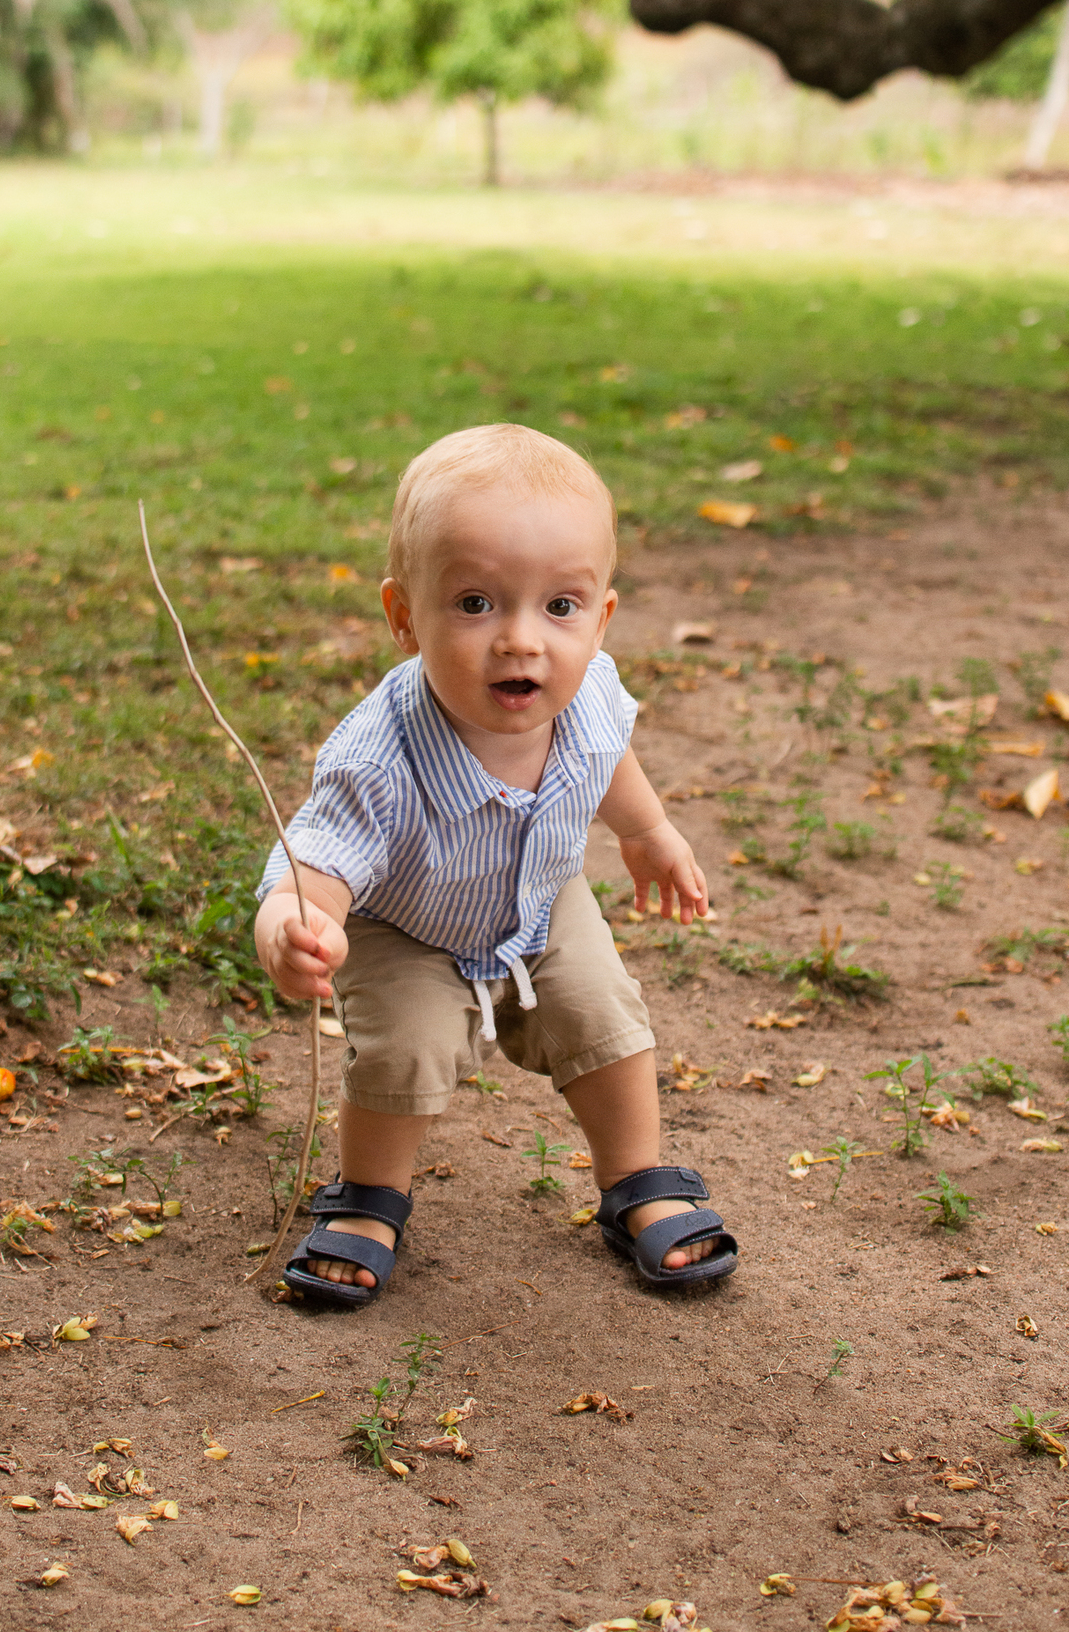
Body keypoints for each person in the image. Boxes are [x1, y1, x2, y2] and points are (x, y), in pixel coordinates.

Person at [254, 422, 737, 1306]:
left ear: (602, 616)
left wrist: (647, 832)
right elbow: (316, 859)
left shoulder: (587, 690)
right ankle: (370, 1196)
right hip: (406, 923)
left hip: (545, 904)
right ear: (405, 616)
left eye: (560, 607)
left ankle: (636, 1177)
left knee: (604, 1020)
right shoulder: (379, 754)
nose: (522, 640)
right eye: (476, 604)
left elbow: (607, 758)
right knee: (405, 1050)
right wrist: (298, 921)